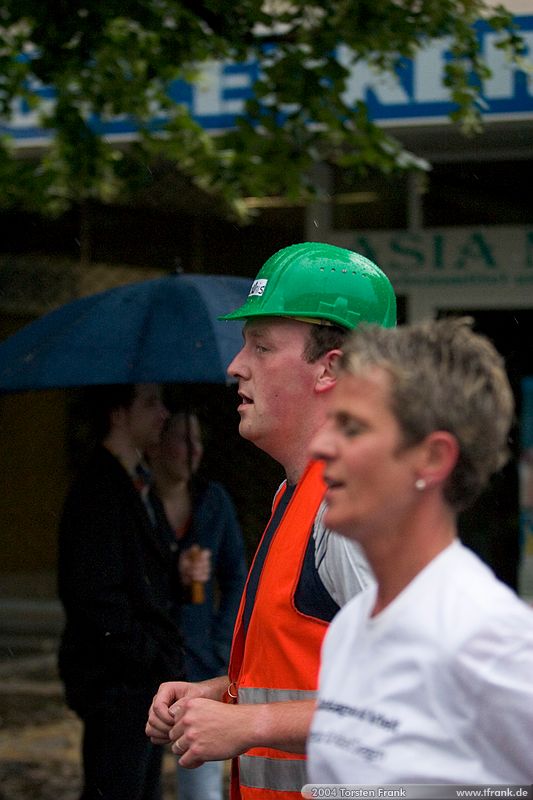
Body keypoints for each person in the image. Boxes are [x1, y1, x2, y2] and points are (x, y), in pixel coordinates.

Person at [146, 242, 396, 799]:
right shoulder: (301, 492)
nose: (236, 366)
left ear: (331, 368)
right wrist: (224, 696)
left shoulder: (351, 508)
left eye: (261, 346)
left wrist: (249, 725)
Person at [307, 317, 533, 784]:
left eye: (352, 428)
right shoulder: (351, 624)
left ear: (432, 458)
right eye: (331, 423)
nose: (321, 445)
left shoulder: (488, 637)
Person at [57, 383, 207, 800]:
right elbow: (96, 596)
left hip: (138, 683)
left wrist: (178, 570)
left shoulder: (136, 483)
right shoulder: (98, 490)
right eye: (149, 402)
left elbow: (137, 574)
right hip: (118, 685)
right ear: (119, 413)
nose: (163, 413)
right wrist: (150, 656)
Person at [147, 410, 248, 800]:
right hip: (151, 662)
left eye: (198, 441)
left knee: (202, 787)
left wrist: (222, 644)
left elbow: (237, 577)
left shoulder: (212, 501)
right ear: (156, 445)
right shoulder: (142, 502)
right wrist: (176, 574)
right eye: (182, 440)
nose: (194, 451)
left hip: (201, 662)